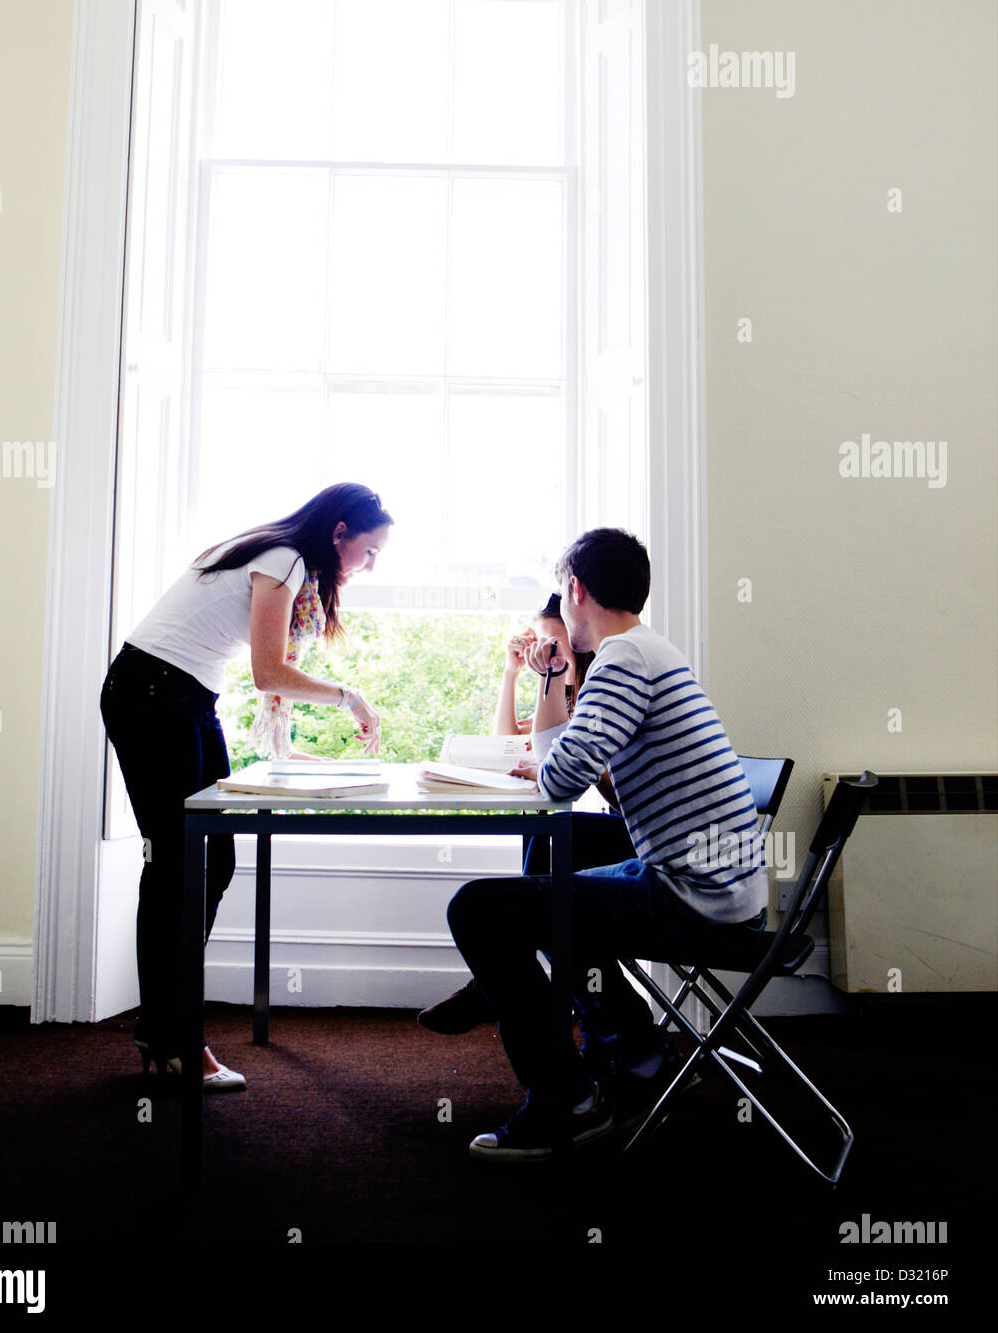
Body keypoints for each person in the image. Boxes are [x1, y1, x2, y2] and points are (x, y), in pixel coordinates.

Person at [444, 528, 767, 1161]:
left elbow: (561, 774)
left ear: (575, 590)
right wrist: (555, 697)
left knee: (477, 909)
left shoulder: (623, 658)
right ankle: (636, 1049)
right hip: (715, 883)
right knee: (552, 855)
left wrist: (552, 760)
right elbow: (574, 771)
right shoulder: (647, 651)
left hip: (698, 899)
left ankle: (566, 1099)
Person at [100, 483, 392, 1089]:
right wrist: (350, 697)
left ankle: (165, 1028)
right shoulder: (282, 559)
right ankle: (175, 1036)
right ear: (339, 532)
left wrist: (289, 751)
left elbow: (267, 675)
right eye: (368, 552)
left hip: (184, 697)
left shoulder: (285, 559)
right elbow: (268, 673)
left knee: (214, 857)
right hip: (152, 695)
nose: (369, 566)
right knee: (177, 863)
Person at [417, 594, 635, 1033]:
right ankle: (615, 1032)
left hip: (633, 834)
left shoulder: (601, 688)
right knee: (545, 857)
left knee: (546, 872)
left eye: (553, 643)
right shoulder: (567, 692)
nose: (543, 652)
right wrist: (513, 673)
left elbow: (588, 775)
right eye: (538, 643)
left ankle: (495, 987)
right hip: (611, 834)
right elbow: (508, 742)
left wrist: (574, 764)